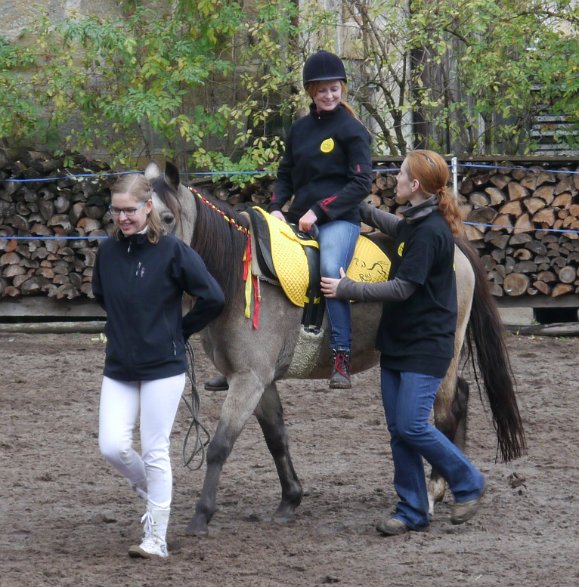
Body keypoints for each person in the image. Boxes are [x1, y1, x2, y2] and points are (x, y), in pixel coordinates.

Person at [320, 149, 486, 535]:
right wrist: (354, 204)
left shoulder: (431, 232)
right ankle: (412, 509)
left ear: (415, 185)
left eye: (400, 174)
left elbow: (402, 288)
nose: (394, 179)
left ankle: (468, 480)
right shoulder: (416, 221)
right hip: (397, 342)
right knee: (399, 431)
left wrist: (347, 288)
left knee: (412, 425)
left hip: (425, 345)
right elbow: (394, 226)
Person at [204, 49, 373, 392]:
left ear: (342, 88)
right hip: (299, 219)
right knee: (252, 259)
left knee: (330, 272)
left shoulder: (353, 130)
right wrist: (277, 206)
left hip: (339, 219)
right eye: (322, 90)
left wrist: (320, 211)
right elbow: (286, 174)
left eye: (334, 89)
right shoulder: (300, 129)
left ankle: (341, 354)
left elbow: (361, 183)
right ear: (311, 91)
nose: (329, 95)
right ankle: (241, 358)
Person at [92, 173, 224, 558]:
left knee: (154, 449)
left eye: (130, 210)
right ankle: (149, 487)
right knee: (112, 446)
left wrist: (180, 331)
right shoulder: (107, 252)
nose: (122, 218)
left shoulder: (173, 251)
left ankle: (156, 538)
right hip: (119, 364)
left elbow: (213, 297)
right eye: (116, 211)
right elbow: (103, 295)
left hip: (163, 366)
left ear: (148, 207)